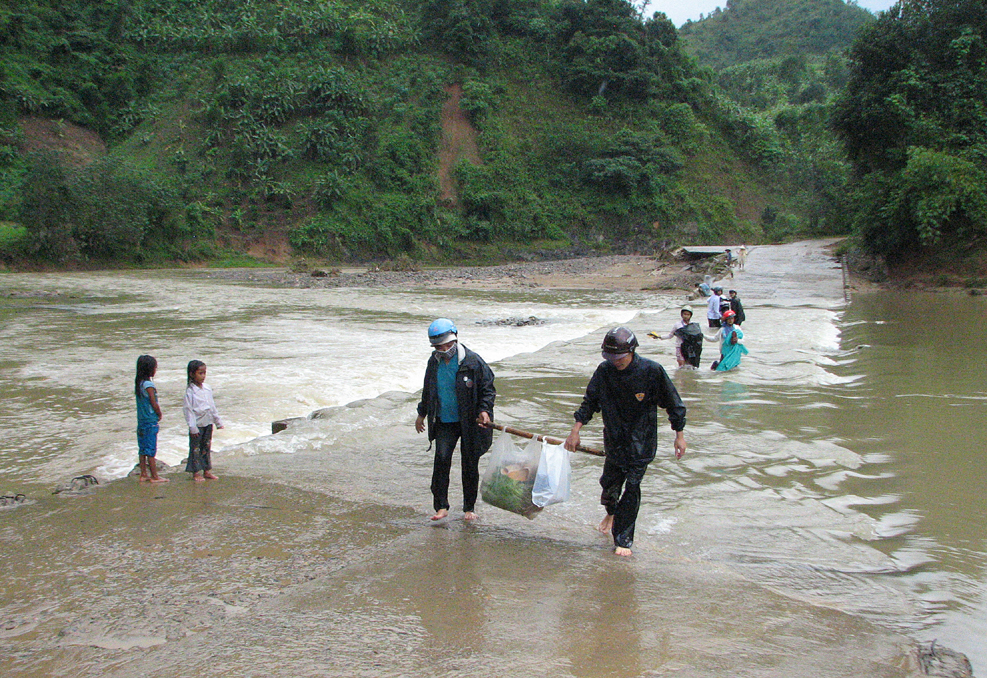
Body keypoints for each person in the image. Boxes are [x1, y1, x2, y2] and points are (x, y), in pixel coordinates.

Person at [564, 327, 687, 556]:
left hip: (642, 442)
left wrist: (679, 435)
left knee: (632, 487)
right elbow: (590, 402)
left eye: (619, 358)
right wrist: (576, 430)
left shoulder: (651, 371)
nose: (615, 362)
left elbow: (674, 404)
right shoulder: (604, 371)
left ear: (632, 351)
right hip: (614, 440)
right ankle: (610, 512)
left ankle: (623, 540)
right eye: (611, 357)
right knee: (608, 488)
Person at [416, 318, 496, 522]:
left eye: (445, 344)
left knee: (469, 463)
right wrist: (422, 413)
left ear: (454, 339)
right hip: (445, 420)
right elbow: (428, 390)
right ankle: (441, 506)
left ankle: (469, 508)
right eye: (437, 346)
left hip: (470, 421)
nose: (441, 349)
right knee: (441, 460)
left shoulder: (472, 362)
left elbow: (488, 389)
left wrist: (485, 410)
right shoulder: (433, 362)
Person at [183, 360, 224, 482]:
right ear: (192, 374)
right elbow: (188, 410)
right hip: (197, 423)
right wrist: (192, 427)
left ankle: (207, 470)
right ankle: (196, 472)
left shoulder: (207, 388)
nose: (203, 376)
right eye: (200, 373)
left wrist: (218, 421)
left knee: (206, 447)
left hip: (208, 421)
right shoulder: (190, 391)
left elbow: (212, 406)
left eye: (204, 373)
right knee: (195, 448)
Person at [135, 354, 168, 484]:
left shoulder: (139, 384)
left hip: (141, 420)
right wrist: (159, 413)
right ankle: (155, 476)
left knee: (143, 449)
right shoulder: (149, 385)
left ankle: (143, 473)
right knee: (151, 450)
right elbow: (154, 402)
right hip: (150, 420)